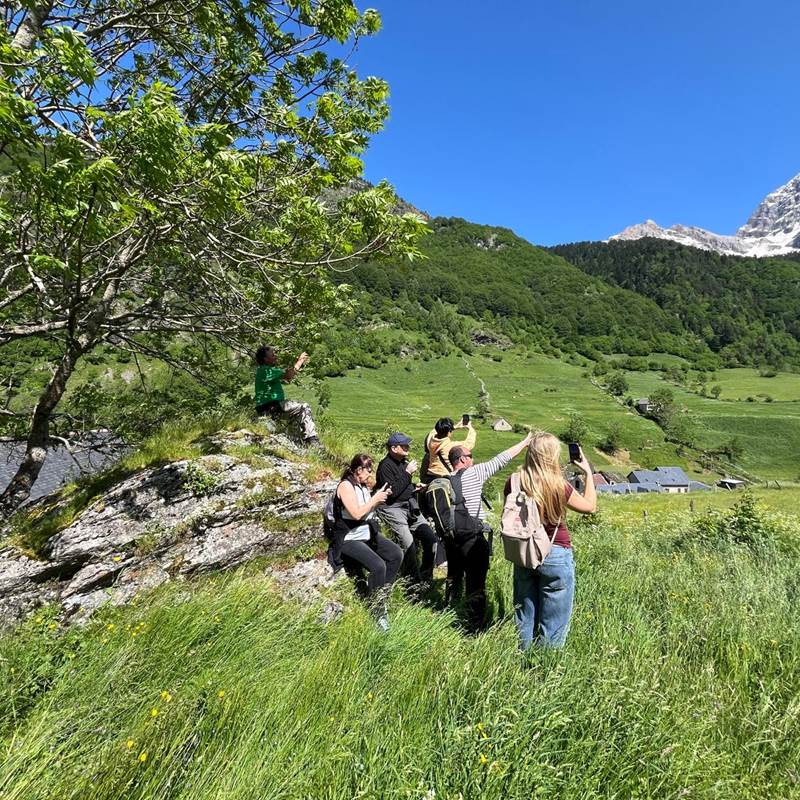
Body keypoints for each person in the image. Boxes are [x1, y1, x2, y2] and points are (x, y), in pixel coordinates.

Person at [504, 433, 596, 649]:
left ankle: (520, 663)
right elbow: (590, 507)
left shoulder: (515, 481)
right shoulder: (558, 485)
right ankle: (545, 668)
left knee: (524, 614)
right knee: (554, 622)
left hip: (524, 552)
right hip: (555, 552)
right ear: (552, 456)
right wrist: (588, 473)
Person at [447, 431, 534, 630]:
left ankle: (451, 614)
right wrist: (525, 442)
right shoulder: (474, 473)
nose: (473, 459)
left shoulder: (444, 479)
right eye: (470, 456)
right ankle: (475, 627)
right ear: (462, 459)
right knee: (476, 583)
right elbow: (502, 458)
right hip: (473, 536)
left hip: (451, 537)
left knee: (455, 578)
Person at [330, 454, 403, 631]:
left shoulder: (361, 485)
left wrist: (379, 499)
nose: (370, 475)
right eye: (368, 471)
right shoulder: (345, 486)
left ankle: (381, 595)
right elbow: (356, 513)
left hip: (365, 533)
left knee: (396, 554)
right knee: (378, 566)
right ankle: (378, 612)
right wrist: (374, 499)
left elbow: (366, 511)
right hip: (349, 538)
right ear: (359, 470)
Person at [375, 432, 438, 589]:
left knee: (431, 539)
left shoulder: (403, 462)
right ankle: (413, 583)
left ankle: (426, 575)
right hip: (392, 508)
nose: (407, 447)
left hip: (409, 506)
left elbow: (403, 486)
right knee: (408, 543)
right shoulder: (385, 467)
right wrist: (408, 473)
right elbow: (392, 493)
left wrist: (415, 488)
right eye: (404, 445)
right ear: (393, 448)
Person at [254, 345, 320, 447]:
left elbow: (286, 377)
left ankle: (300, 441)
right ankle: (312, 440)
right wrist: (300, 361)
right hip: (271, 406)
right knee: (304, 407)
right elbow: (289, 375)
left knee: (295, 413)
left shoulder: (264, 371)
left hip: (266, 407)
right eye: (273, 355)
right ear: (265, 359)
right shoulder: (266, 370)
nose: (276, 356)